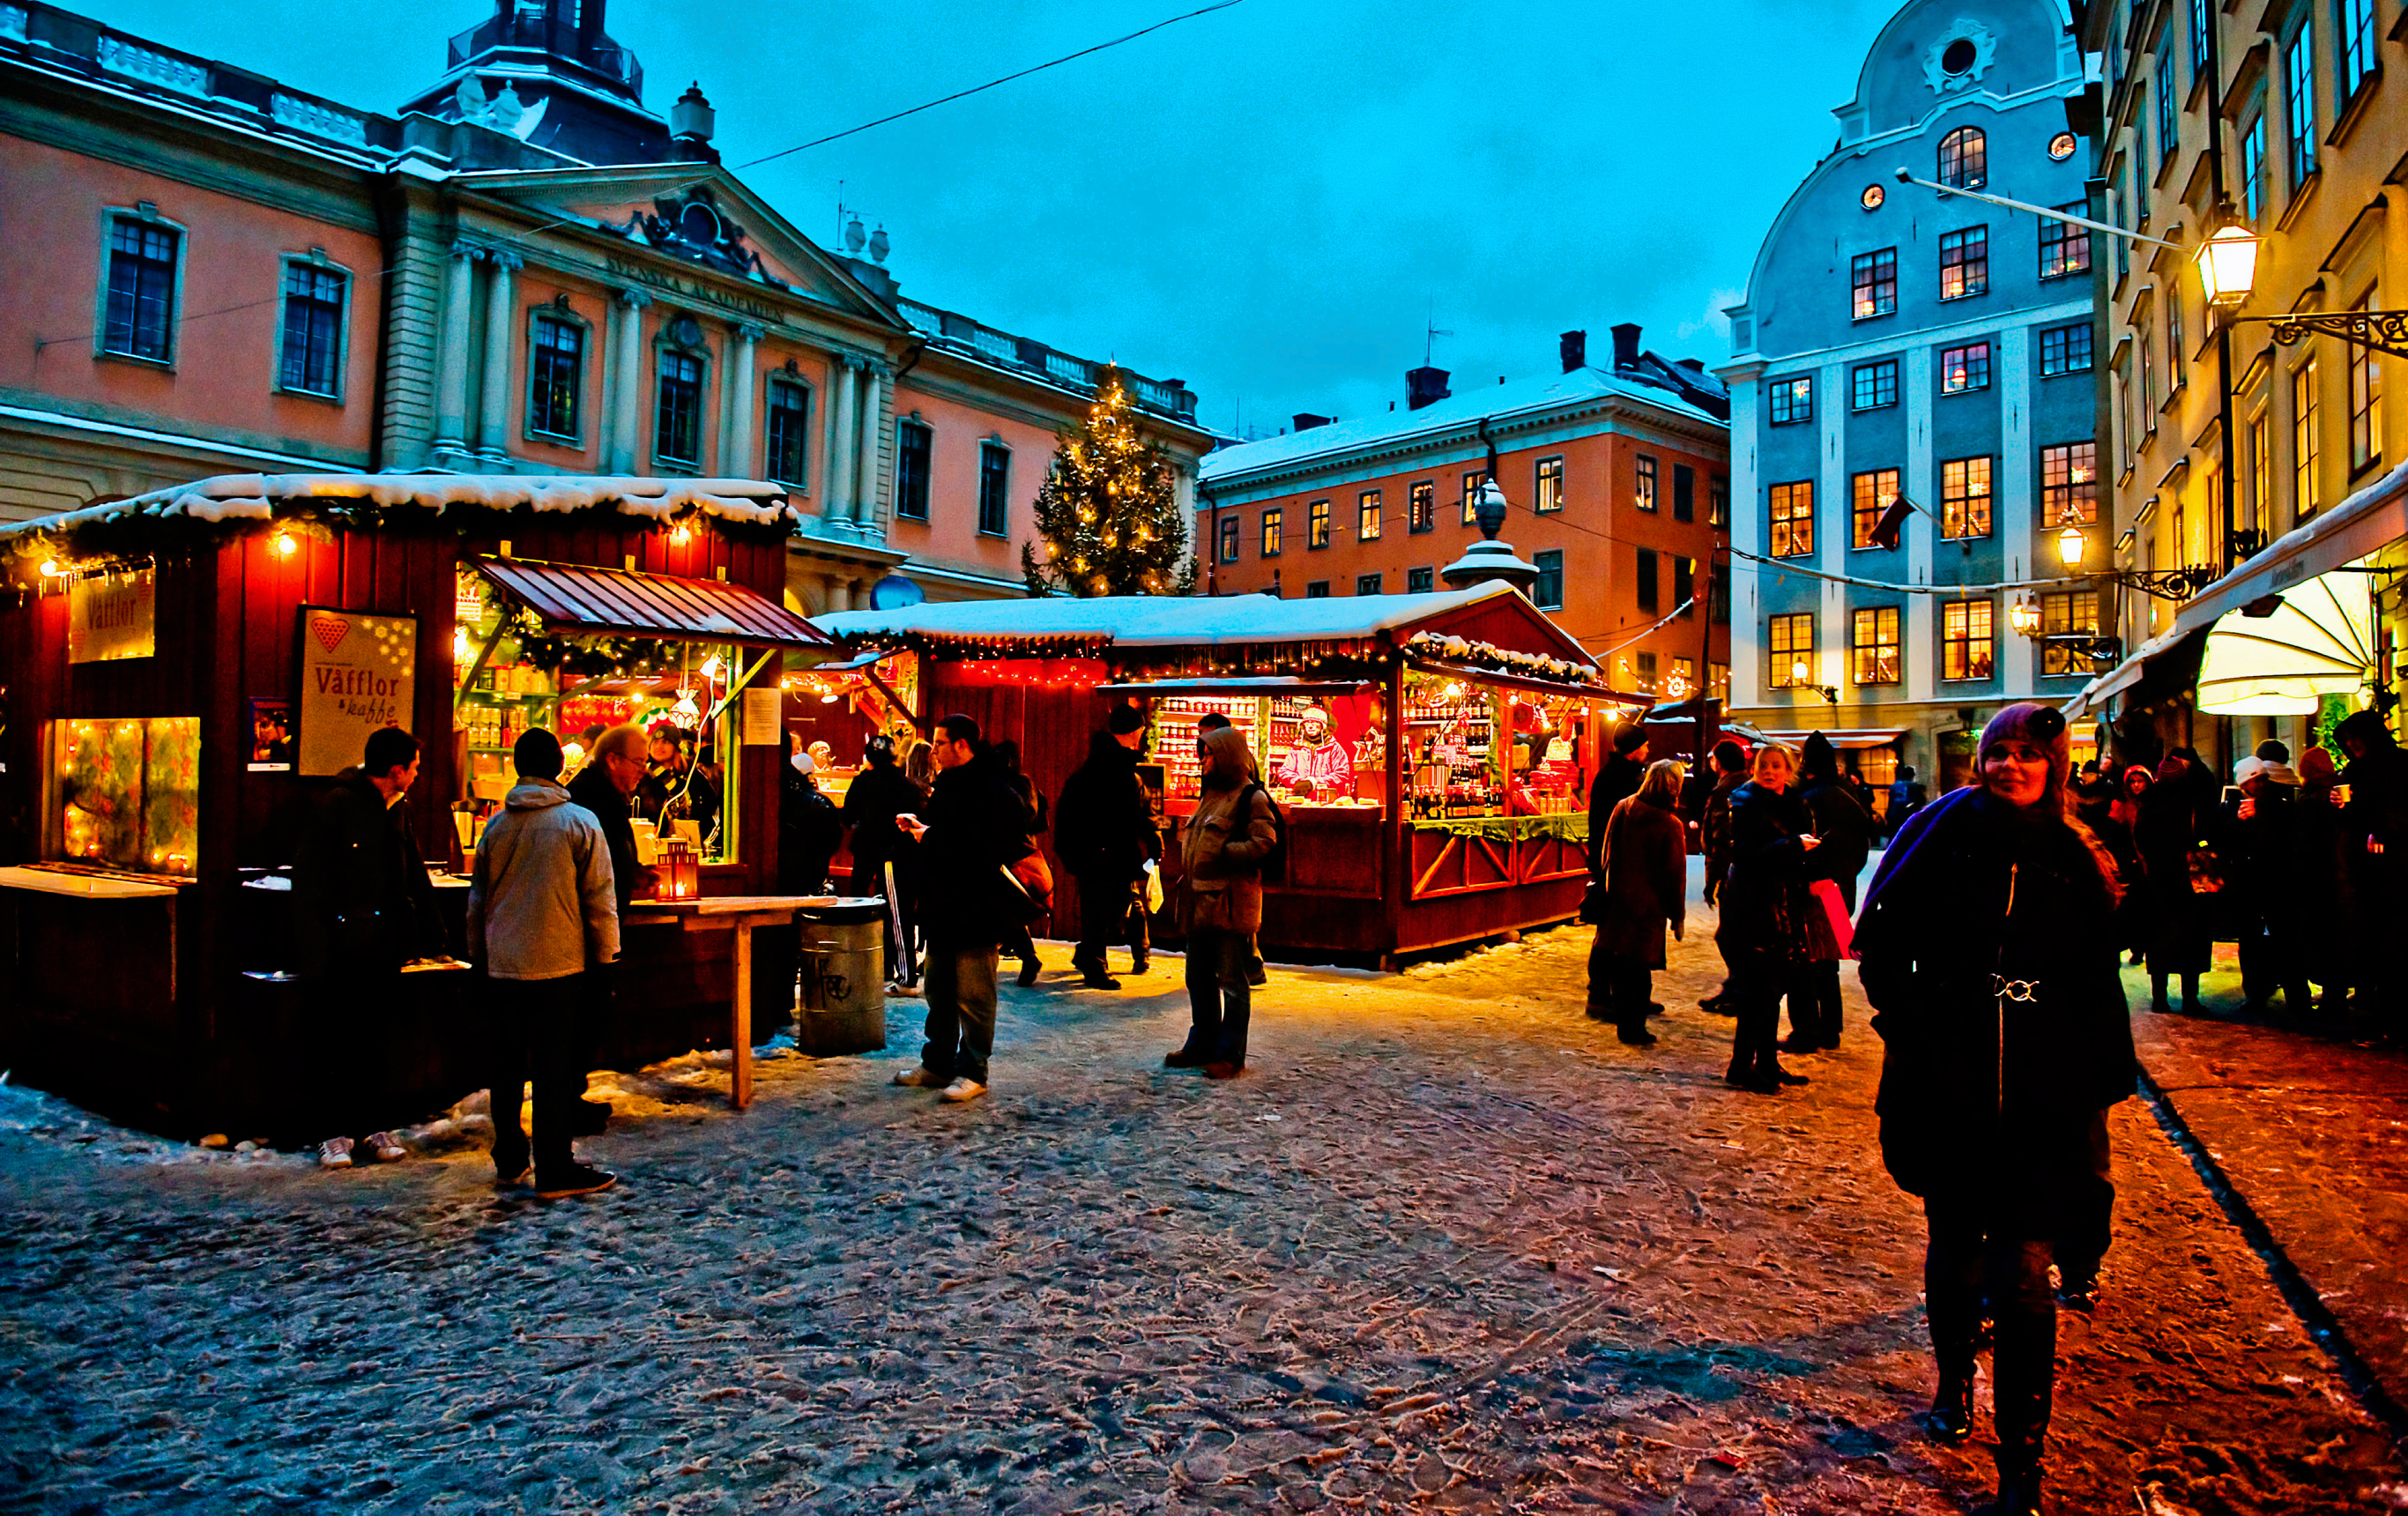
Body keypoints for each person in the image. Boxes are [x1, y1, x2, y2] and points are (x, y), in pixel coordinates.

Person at [1854, 703, 2135, 1516]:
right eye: (1999, 753)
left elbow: (2093, 973)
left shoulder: (2074, 854)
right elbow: (1884, 940)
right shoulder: (1942, 836)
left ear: (2055, 766)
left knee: (2021, 1276)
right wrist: (1912, 1024)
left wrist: (2095, 1072)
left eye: (2027, 755)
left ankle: (2023, 1457)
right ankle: (1953, 1383)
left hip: (2044, 1085)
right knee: (1954, 1247)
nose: (2011, 766)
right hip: (1954, 1072)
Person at [466, 728, 621, 1198]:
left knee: (507, 1064)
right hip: (559, 961)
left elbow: (477, 901)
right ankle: (555, 1166)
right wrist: (607, 955)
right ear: (559, 767)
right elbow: (599, 898)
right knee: (553, 1065)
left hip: (504, 962)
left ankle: (510, 1155)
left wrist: (478, 955)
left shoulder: (497, 826)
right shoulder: (579, 822)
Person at [291, 725, 445, 1169]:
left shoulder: (399, 810)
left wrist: (430, 935)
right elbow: (311, 882)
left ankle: (375, 1126)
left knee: (378, 1039)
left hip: (383, 945)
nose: (417, 775)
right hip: (342, 946)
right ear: (396, 771)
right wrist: (314, 953)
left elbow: (411, 872)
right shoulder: (338, 807)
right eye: (413, 768)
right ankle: (333, 1133)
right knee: (335, 1042)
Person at [891, 715, 1029, 1104]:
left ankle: (973, 1069)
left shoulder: (994, 790)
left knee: (974, 995)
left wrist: (929, 835)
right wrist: (920, 829)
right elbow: (947, 837)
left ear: (963, 745)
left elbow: (986, 847)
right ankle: (937, 1063)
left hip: (978, 909)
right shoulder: (949, 785)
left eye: (940, 743)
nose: (933, 751)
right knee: (939, 990)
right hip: (943, 905)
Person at [1169, 725, 1278, 1078]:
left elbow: (1265, 842)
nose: (1203, 759)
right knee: (1197, 977)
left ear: (1227, 756)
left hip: (1229, 905)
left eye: (1210, 753)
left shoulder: (1251, 797)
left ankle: (1230, 1054)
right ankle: (1202, 1043)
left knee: (1232, 981)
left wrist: (1226, 853)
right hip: (1199, 900)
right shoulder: (1212, 795)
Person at [561, 721, 652, 1137]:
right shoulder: (594, 799)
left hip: (593, 918)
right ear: (612, 760)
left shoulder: (601, 795)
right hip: (586, 924)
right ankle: (565, 1102)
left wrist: (635, 875)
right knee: (583, 1012)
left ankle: (569, 1097)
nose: (643, 769)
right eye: (638, 761)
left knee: (587, 1012)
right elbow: (597, 866)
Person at [1717, 742, 1817, 1094]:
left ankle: (1767, 1062)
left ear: (1789, 771)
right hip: (1752, 909)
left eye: (1777, 766)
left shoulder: (1795, 804)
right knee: (1756, 989)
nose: (1770, 772)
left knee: (1773, 989)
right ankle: (1741, 1065)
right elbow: (1743, 856)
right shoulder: (1743, 805)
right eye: (1764, 766)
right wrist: (1791, 847)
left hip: (1785, 906)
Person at [1057, 707, 1160, 990]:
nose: (1142, 736)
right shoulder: (1117, 768)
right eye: (1140, 731)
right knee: (1103, 910)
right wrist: (1152, 842)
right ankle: (1094, 964)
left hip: (1098, 850)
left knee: (1105, 909)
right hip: (1106, 851)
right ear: (1132, 732)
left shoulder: (1101, 764)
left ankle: (1089, 955)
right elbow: (1130, 811)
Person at [1587, 758, 1687, 1046]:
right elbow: (1675, 874)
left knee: (1620, 964)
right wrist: (1677, 916)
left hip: (1617, 898)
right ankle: (1634, 1028)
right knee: (1639, 971)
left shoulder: (1623, 807)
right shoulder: (1670, 824)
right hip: (1647, 906)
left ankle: (1623, 1020)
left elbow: (1607, 850)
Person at [1789, 732, 1869, 1054]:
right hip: (1840, 889)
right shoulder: (1849, 796)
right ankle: (1831, 1027)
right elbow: (1861, 850)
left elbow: (1799, 846)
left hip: (1809, 888)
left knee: (1802, 960)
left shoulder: (1806, 798)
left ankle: (1807, 1030)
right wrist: (1845, 875)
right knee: (1826, 960)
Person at [2336, 710, 2408, 1027]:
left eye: (2356, 739)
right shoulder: (2356, 769)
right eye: (2348, 741)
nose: (2351, 745)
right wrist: (2342, 805)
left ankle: (2393, 1008)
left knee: (2394, 935)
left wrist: (2384, 830)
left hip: (2396, 866)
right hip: (2365, 869)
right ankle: (2378, 1000)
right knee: (2373, 935)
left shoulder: (2400, 765)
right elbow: (2355, 811)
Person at [2224, 754, 2311, 1014]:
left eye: (2261, 779)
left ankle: (2297, 996)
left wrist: (2260, 818)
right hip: (2247, 884)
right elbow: (2227, 842)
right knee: (2250, 940)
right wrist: (2238, 823)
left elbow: (2286, 841)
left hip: (2277, 882)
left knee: (2286, 939)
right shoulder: (2231, 807)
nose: (2258, 786)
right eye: (2253, 782)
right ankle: (2255, 993)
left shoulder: (2281, 806)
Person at [2135, 747, 2216, 1013]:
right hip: (2190, 880)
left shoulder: (2150, 804)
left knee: (2158, 938)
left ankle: (2160, 998)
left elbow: (2142, 840)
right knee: (2192, 939)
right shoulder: (2194, 802)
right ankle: (2190, 999)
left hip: (2158, 882)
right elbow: (2208, 833)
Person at [844, 733, 924, 990]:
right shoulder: (906, 784)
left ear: (868, 756)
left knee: (857, 905)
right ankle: (899, 971)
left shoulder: (861, 782)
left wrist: (860, 824)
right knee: (897, 913)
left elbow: (847, 816)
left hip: (867, 851)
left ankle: (860, 964)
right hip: (896, 853)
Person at [1696, 740, 1750, 1017]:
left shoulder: (1725, 790)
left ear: (1721, 762)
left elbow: (1721, 838)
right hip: (1744, 872)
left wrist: (1713, 879)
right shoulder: (1746, 785)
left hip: (1732, 873)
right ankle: (1735, 988)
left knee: (1730, 935)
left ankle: (1739, 991)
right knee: (1736, 934)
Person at [992, 739, 1048, 986]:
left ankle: (1028, 956)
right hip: (1023, 849)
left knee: (1006, 907)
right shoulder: (1025, 782)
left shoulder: (1006, 783)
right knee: (1009, 907)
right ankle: (1026, 956)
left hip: (1010, 851)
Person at [779, 731, 844, 895]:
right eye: (796, 750)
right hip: (813, 874)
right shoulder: (819, 802)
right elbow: (834, 837)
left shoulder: (779, 792)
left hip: (786, 873)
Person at [1587, 725, 1649, 873]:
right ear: (1634, 749)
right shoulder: (1621, 778)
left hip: (1608, 856)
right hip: (1618, 859)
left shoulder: (1610, 773)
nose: (1647, 750)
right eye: (1645, 746)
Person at [1275, 705, 1352, 799]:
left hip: (1326, 801)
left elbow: (1342, 774)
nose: (1310, 726)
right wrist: (1300, 782)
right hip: (1300, 801)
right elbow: (1284, 771)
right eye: (1307, 723)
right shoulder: (1297, 747)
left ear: (1322, 726)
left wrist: (1314, 782)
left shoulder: (1334, 748)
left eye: (1314, 722)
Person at [1885, 763, 1928, 842]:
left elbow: (1890, 802)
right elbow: (1922, 801)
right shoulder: (1914, 786)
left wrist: (1888, 815)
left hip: (1894, 815)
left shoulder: (1894, 786)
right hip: (1909, 815)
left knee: (1894, 837)